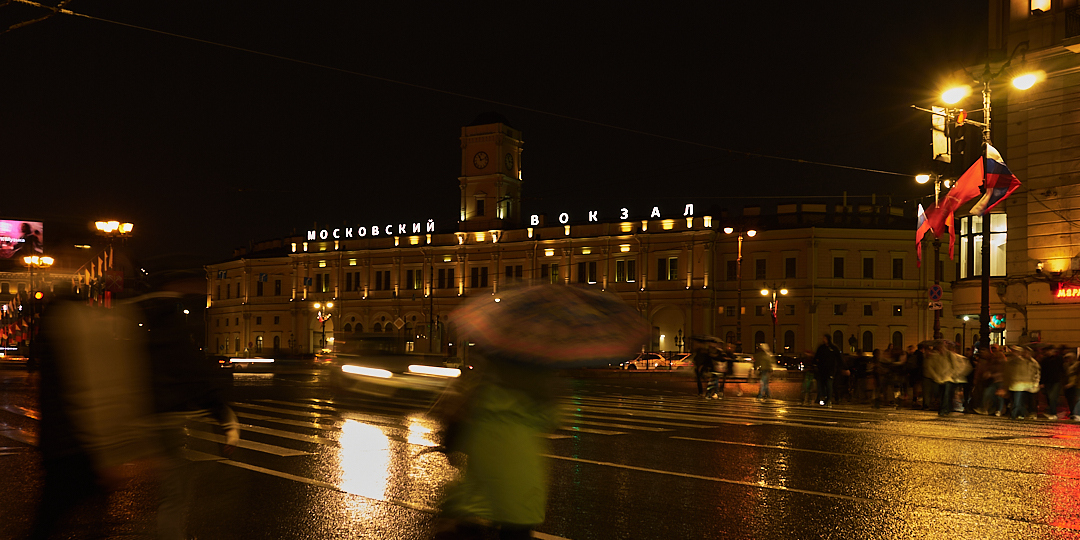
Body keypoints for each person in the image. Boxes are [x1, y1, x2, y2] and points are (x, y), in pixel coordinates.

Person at [1006, 346, 1041, 420]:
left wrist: (1035, 383)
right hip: (1018, 384)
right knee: (1018, 401)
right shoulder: (1020, 361)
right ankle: (1017, 414)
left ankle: (1019, 414)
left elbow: (1036, 374)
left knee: (1023, 401)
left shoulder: (1033, 363)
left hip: (1028, 385)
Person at [814, 334, 842, 407]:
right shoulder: (822, 348)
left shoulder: (833, 348)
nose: (823, 340)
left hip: (830, 370)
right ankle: (822, 398)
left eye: (825, 338)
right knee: (822, 385)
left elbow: (839, 359)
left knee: (829, 385)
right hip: (822, 370)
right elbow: (816, 357)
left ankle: (828, 399)